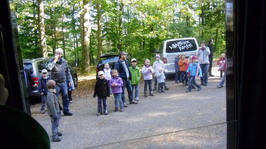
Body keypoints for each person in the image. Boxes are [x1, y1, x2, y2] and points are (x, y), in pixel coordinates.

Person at [47, 48, 73, 116]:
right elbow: (49, 68)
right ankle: (57, 111)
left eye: (59, 53)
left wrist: (69, 80)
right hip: (55, 83)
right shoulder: (51, 60)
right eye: (56, 53)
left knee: (65, 97)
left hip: (63, 82)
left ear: (61, 55)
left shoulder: (64, 61)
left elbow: (67, 71)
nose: (57, 55)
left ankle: (66, 111)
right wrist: (54, 61)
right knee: (55, 98)